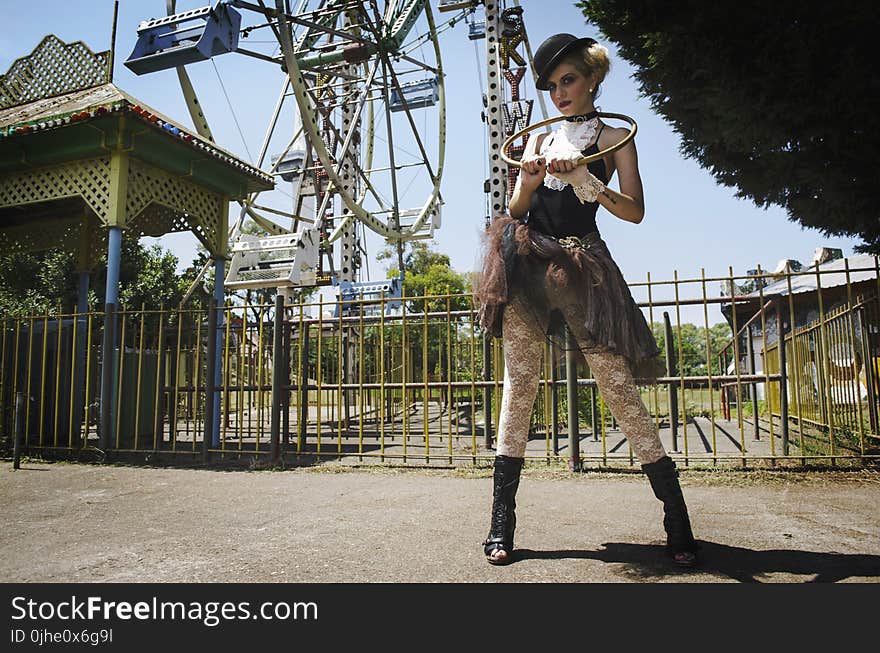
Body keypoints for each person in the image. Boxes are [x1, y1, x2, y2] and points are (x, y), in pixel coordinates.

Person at [476, 33, 699, 567]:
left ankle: (676, 514)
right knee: (519, 387)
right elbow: (517, 205)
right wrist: (529, 181)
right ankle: (500, 522)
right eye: (552, 86)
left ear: (592, 77)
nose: (559, 94)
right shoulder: (538, 137)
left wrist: (586, 179)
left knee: (617, 386)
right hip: (529, 266)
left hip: (584, 266)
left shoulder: (617, 137)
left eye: (568, 80)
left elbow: (635, 211)